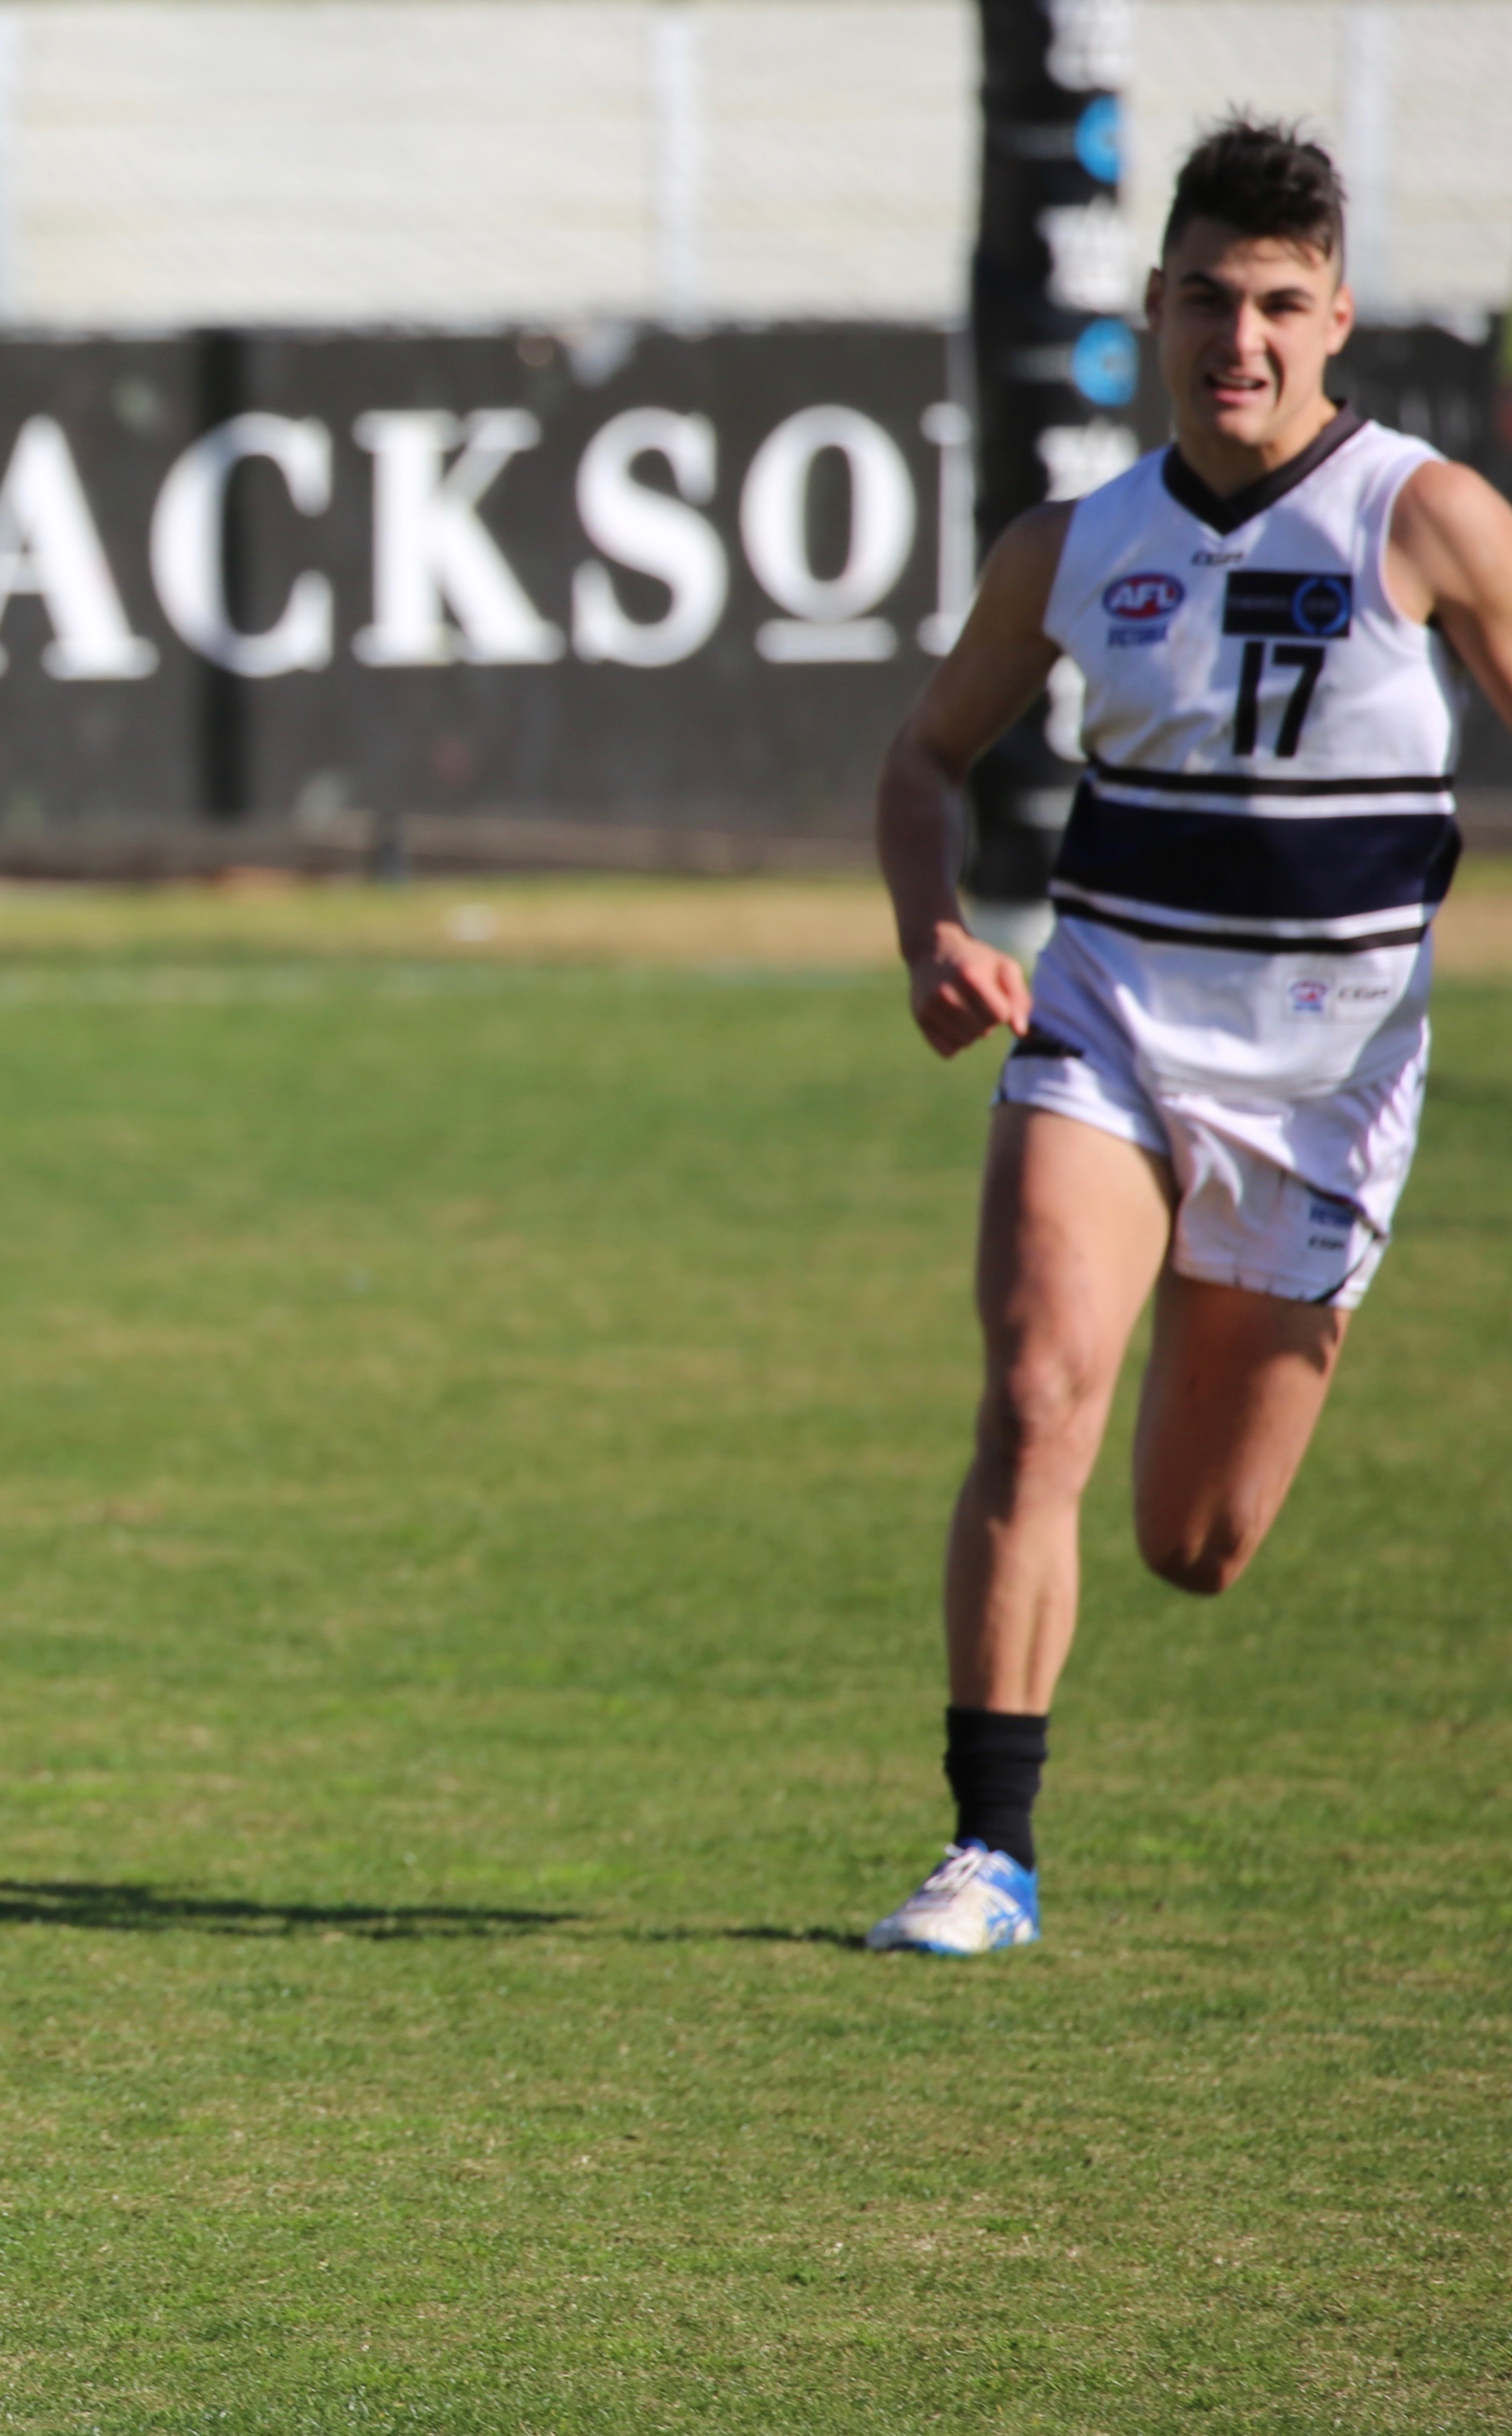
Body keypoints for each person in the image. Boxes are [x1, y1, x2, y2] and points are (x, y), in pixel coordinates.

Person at [864, 116, 1512, 1956]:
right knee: (1030, 1394)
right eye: (1208, 300)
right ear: (1151, 306)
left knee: (1193, 1542)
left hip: (1320, 1092)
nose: (1240, 339)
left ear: (1335, 320)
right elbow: (922, 758)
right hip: (1107, 1031)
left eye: (1279, 305)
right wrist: (930, 933)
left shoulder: (1424, 519)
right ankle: (986, 1852)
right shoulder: (1072, 545)